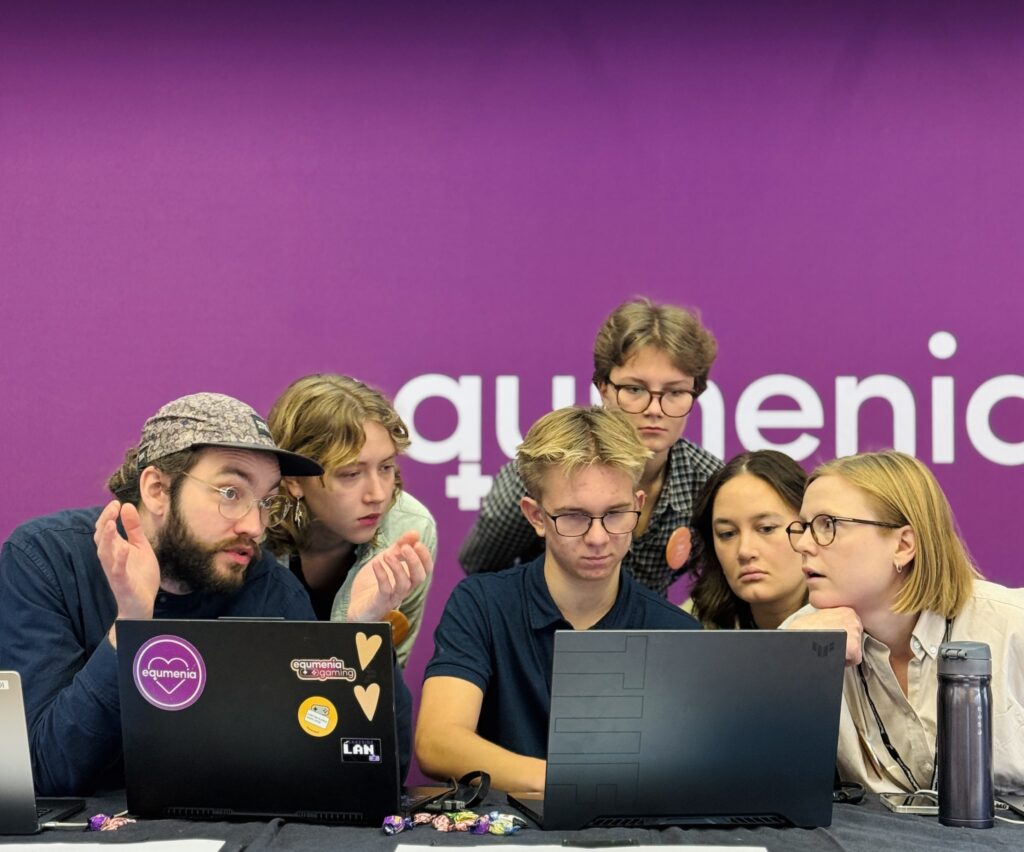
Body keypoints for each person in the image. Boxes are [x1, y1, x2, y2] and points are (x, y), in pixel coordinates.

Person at [0, 392, 412, 795]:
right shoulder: (46, 561)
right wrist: (130, 626)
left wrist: (363, 635)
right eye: (231, 493)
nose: (255, 526)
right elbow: (42, 773)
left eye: (267, 502)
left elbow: (370, 774)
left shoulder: (269, 588)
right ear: (157, 490)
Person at [417, 406, 700, 793]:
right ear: (535, 516)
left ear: (638, 504)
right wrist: (568, 783)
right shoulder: (481, 604)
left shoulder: (677, 632)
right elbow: (437, 743)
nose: (598, 538)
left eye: (616, 514)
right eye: (573, 517)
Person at [784, 450, 1024, 795]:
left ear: (903, 545)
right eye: (804, 527)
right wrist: (788, 662)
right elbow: (751, 784)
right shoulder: (801, 637)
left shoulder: (1013, 626)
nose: (804, 545)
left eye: (827, 525)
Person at [459, 297, 722, 597]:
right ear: (603, 389)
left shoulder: (708, 483)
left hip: (647, 623)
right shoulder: (539, 475)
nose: (654, 409)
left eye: (675, 392)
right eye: (635, 389)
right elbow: (482, 565)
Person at [266, 374, 434, 665]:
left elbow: (385, 675)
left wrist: (360, 625)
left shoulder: (410, 528)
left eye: (386, 467)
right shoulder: (249, 527)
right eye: (351, 474)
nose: (378, 495)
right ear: (294, 480)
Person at [688, 450, 808, 629]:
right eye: (727, 533)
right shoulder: (689, 627)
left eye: (766, 528)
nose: (744, 551)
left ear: (809, 529)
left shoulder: (850, 627)